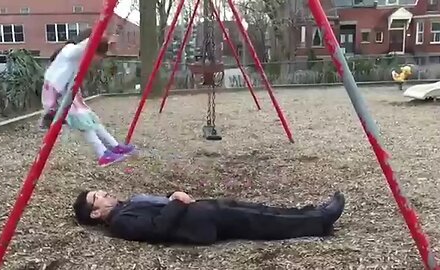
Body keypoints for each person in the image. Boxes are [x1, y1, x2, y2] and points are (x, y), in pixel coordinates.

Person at [73, 189, 345, 245]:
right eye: (98, 196)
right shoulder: (120, 222)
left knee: (260, 211)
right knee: (259, 220)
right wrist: (178, 201)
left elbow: (159, 207)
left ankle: (311, 214)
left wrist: (172, 196)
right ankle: (322, 220)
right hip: (198, 224)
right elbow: (157, 229)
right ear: (96, 213)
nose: (106, 193)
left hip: (200, 214)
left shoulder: (126, 206)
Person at [39, 28, 136, 167]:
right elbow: (85, 45)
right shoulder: (70, 51)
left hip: (67, 89)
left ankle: (114, 146)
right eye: (100, 54)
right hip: (58, 92)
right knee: (83, 121)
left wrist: (105, 40)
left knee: (90, 118)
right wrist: (99, 37)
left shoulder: (75, 54)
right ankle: (102, 154)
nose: (100, 59)